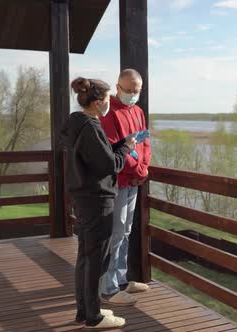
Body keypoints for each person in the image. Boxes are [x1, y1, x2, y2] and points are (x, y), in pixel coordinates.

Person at [61, 77, 136, 329]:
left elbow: (96, 154)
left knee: (85, 257)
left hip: (82, 198)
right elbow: (109, 165)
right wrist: (126, 149)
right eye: (105, 100)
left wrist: (117, 145)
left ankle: (85, 310)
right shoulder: (92, 127)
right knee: (96, 260)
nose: (108, 104)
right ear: (96, 103)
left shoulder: (76, 123)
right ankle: (94, 317)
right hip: (97, 200)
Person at [99, 69, 151, 305]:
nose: (132, 94)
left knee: (127, 231)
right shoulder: (109, 113)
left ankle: (121, 280)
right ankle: (108, 289)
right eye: (128, 90)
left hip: (134, 181)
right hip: (119, 181)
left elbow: (144, 143)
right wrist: (136, 170)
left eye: (136, 90)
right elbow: (114, 149)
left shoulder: (138, 111)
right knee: (116, 233)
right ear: (117, 87)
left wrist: (143, 170)